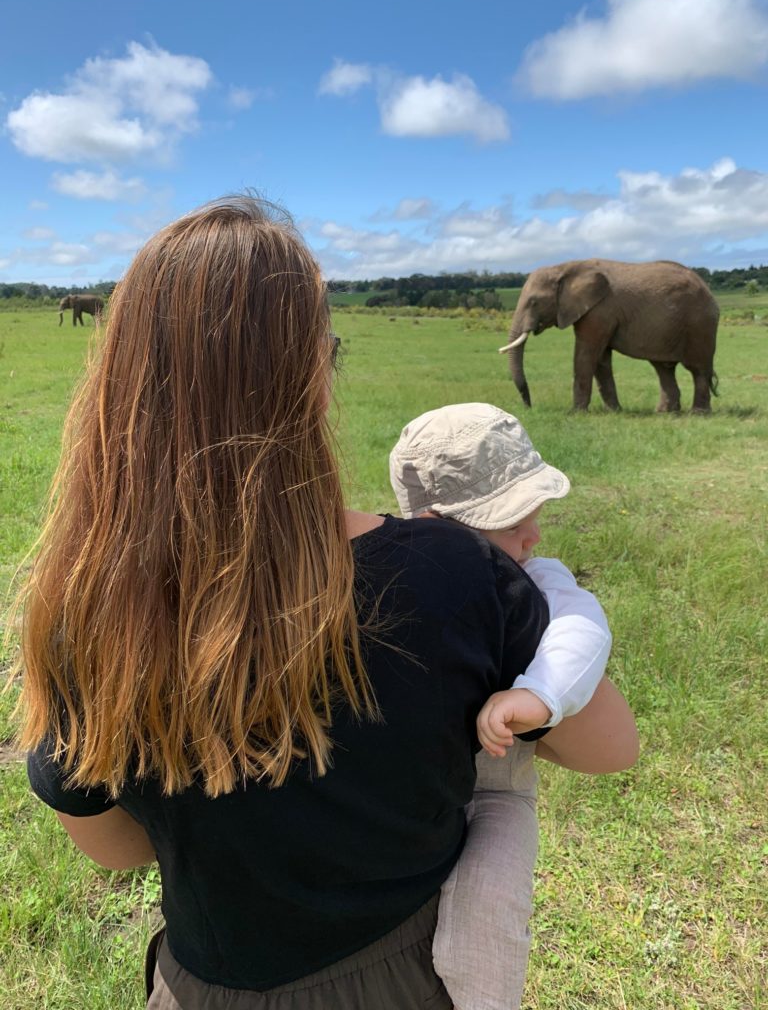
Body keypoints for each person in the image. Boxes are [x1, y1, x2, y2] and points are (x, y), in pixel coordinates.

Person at [19, 197, 637, 1010]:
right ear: (312, 374)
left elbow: (116, 848)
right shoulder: (451, 571)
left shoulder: (82, 610)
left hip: (197, 984)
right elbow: (609, 748)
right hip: (405, 977)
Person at [390, 402, 633, 1010]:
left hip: (495, 791)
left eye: (535, 513)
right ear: (437, 525)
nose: (535, 535)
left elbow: (584, 628)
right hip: (412, 791)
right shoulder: (391, 573)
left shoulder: (536, 578)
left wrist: (540, 693)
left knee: (486, 914)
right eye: (510, 522)